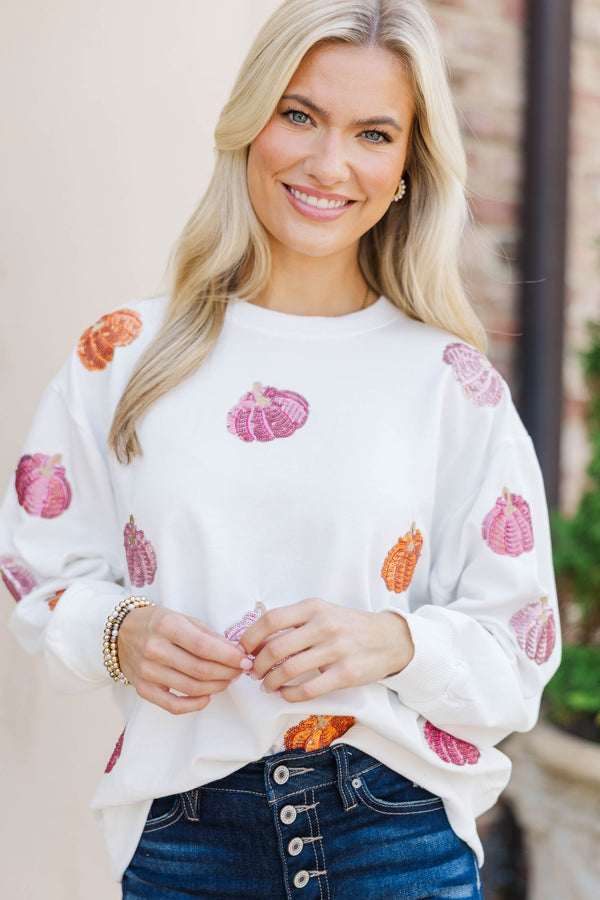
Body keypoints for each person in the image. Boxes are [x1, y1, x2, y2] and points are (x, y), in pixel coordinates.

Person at [0, 0, 560, 897]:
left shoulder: (452, 384)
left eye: (373, 134)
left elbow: (517, 651)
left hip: (396, 838)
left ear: (406, 169)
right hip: (185, 839)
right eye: (300, 115)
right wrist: (121, 631)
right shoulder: (123, 355)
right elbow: (37, 571)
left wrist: (394, 643)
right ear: (249, 124)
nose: (329, 164)